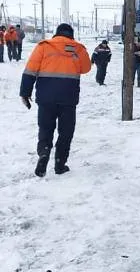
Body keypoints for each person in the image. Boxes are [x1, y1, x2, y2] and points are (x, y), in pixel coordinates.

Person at [20, 22, 91, 176]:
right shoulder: (78, 48)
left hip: (45, 98)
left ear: (56, 33)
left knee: (45, 128)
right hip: (68, 98)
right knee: (66, 131)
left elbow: (30, 70)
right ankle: (60, 163)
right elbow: (86, 68)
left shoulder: (43, 46)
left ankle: (44, 153)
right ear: (71, 35)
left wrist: (25, 93)